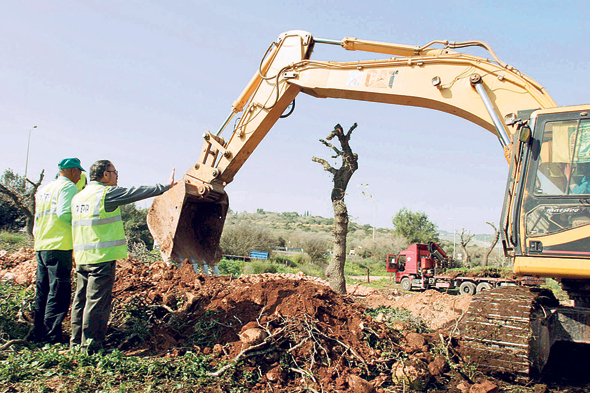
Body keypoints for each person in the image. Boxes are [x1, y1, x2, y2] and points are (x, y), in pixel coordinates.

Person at [70, 160, 175, 353]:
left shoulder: (79, 197)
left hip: (82, 257)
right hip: (100, 258)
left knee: (81, 301)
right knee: (96, 303)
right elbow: (135, 192)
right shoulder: (104, 195)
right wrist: (165, 187)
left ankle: (76, 343)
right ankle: (91, 347)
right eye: (114, 171)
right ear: (105, 175)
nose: (117, 175)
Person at [31, 157, 84, 344]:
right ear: (73, 171)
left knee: (42, 290)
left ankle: (37, 331)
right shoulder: (67, 187)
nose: (80, 176)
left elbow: (38, 219)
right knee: (59, 291)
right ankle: (50, 336)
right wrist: (82, 223)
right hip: (59, 246)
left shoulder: (44, 189)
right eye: (79, 172)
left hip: (42, 245)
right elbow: (63, 213)